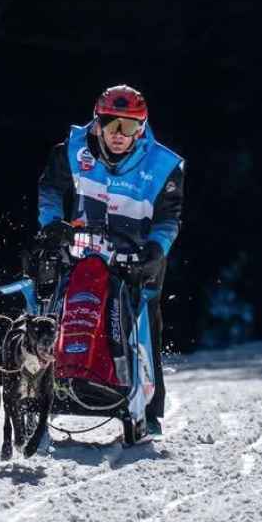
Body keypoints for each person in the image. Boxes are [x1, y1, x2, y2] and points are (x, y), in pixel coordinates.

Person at [27, 84, 184, 437]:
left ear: (141, 128)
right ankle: (48, 381)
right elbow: (50, 189)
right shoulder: (72, 148)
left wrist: (156, 251)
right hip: (82, 250)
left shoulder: (164, 165)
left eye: (129, 127)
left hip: (137, 255)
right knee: (53, 304)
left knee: (145, 316)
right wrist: (52, 226)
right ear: (97, 123)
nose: (118, 135)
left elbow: (168, 219)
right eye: (111, 124)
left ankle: (150, 407)